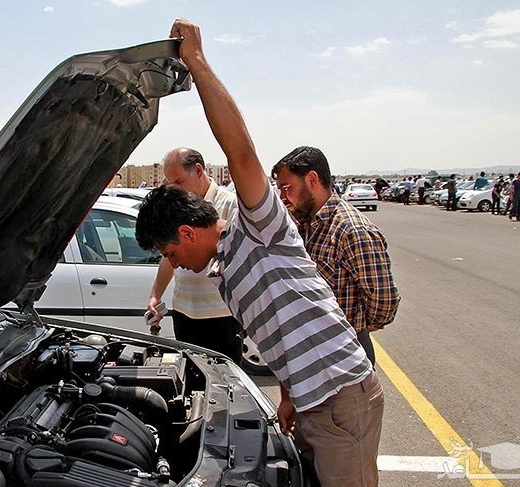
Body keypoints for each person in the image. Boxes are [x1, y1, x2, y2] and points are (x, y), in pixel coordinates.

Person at [136, 20, 383, 486]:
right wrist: (288, 395)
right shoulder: (224, 270)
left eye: (170, 251)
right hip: (313, 400)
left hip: (341, 398)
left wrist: (196, 61)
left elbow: (241, 152)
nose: (174, 263)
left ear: (188, 233)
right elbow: (285, 333)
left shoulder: (259, 226)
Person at [271, 147, 399, 366]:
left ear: (312, 179)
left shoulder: (352, 230)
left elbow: (383, 302)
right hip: (311, 347)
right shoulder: (304, 224)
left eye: (286, 188)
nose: (282, 197)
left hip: (345, 352)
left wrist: (354, 327)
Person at [146, 147, 242, 362]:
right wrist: (156, 295)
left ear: (198, 170)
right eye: (170, 184)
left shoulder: (230, 204)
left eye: (178, 182)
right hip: (184, 311)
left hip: (221, 315)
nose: (175, 189)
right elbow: (168, 255)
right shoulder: (176, 209)